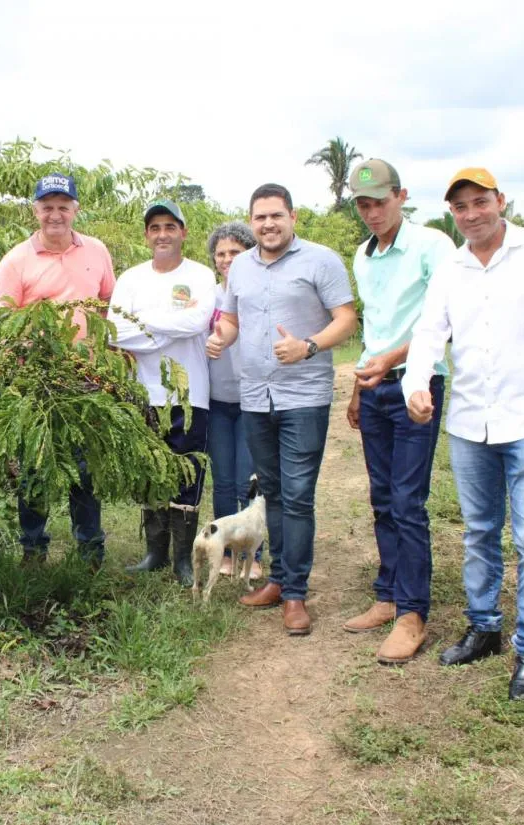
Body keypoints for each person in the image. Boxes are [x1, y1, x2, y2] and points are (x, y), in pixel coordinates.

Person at [403, 168, 524, 700]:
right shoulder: (452, 267)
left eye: (480, 202)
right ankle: (484, 627)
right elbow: (429, 331)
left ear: (500, 201)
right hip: (470, 421)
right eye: (461, 207)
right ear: (452, 214)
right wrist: (416, 381)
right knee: (479, 531)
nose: (472, 214)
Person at [207, 183, 357, 635]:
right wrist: (222, 337)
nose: (268, 224)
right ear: (251, 222)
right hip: (255, 396)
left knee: (297, 494)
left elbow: (346, 319)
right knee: (270, 490)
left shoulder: (322, 259)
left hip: (303, 396)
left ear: (293, 216)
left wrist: (308, 346)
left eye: (276, 215)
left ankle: (295, 593)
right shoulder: (242, 270)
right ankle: (277, 579)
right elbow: (232, 319)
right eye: (260, 217)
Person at [343, 160, 455, 664]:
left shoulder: (433, 246)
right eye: (363, 204)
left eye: (379, 202)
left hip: (417, 385)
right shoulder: (363, 256)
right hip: (375, 388)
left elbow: (445, 321)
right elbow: (375, 329)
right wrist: (359, 386)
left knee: (409, 500)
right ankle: (388, 595)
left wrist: (393, 360)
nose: (371, 212)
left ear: (401, 196)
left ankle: (413, 614)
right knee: (382, 496)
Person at [0, 173, 116, 565]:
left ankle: (89, 549)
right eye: (47, 207)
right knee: (35, 465)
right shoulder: (16, 260)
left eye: (63, 207)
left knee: (85, 469)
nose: (55, 215)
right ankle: (32, 548)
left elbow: (109, 303)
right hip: (37, 381)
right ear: (36, 210)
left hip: (86, 379)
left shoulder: (97, 251)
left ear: (76, 210)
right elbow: (2, 322)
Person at [109, 199, 216, 586]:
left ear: (183, 232)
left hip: (191, 395)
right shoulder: (131, 279)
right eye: (155, 228)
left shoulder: (202, 276)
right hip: (144, 393)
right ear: (146, 236)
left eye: (170, 226)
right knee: (151, 473)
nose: (163, 234)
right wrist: (168, 329)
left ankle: (183, 560)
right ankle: (155, 552)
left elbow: (197, 320)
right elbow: (115, 332)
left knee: (187, 472)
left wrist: (144, 328)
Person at [205, 221, 263, 580]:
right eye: (221, 253)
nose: (227, 259)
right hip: (216, 399)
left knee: (248, 480)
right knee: (223, 480)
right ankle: (225, 552)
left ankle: (253, 556)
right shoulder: (207, 295)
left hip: (251, 400)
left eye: (235, 253)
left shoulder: (258, 292)